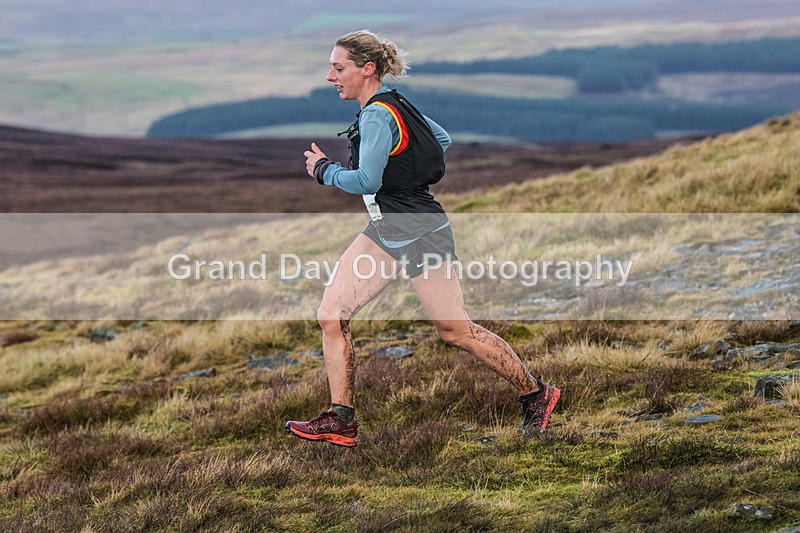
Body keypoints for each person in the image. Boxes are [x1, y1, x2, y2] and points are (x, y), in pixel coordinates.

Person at [285, 30, 560, 447]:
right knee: (331, 315)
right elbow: (440, 140)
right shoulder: (394, 104)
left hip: (420, 233)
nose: (330, 76)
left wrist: (325, 170)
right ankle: (340, 419)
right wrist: (404, 168)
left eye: (338, 68)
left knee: (455, 330)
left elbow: (366, 181)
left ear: (367, 69)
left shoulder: (378, 114)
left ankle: (536, 394)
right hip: (386, 231)